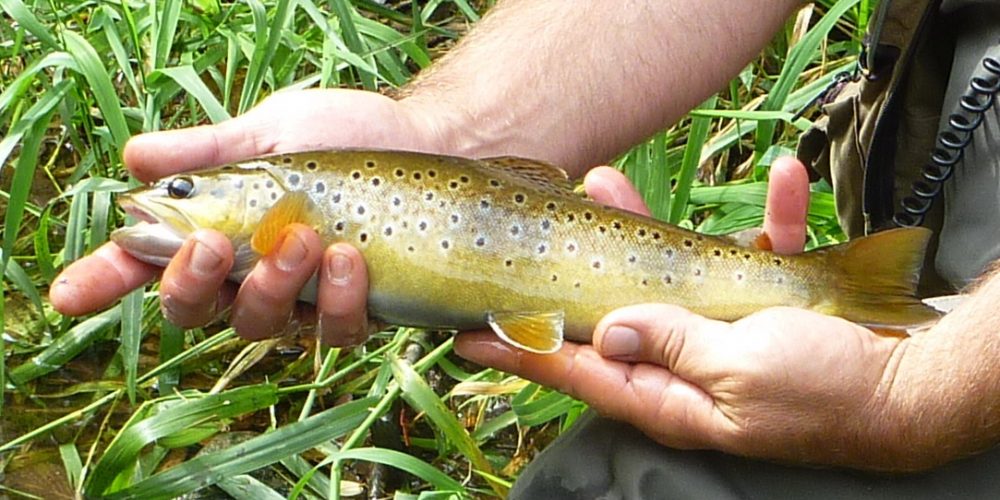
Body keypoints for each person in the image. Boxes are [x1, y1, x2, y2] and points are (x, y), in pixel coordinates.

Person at [48, 0, 1000, 497]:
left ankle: (837, 294)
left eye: (181, 195)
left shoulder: (291, 210)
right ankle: (845, 290)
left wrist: (917, 395)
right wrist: (448, 125)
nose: (158, 203)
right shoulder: (299, 206)